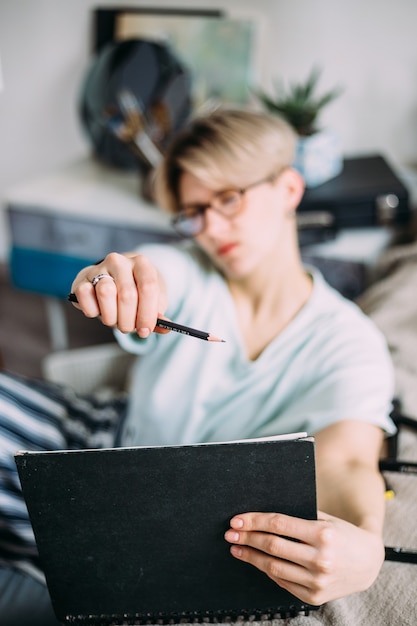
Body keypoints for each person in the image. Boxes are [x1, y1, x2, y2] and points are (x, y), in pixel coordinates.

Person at [0, 108, 395, 624]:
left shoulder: (351, 343)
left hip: (169, 516)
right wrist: (111, 278)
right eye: (193, 212)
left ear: (290, 189)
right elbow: (150, 271)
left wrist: (367, 545)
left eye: (229, 198)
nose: (210, 227)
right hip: (102, 434)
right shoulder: (188, 271)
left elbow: (347, 463)